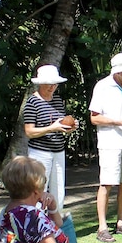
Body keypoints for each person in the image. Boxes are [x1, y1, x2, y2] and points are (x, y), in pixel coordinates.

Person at [89, 52, 122, 242]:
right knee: (107, 183)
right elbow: (94, 117)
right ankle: (102, 227)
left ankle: (121, 222)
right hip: (109, 141)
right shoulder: (102, 86)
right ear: (117, 71)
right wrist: (118, 122)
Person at [24, 64, 77, 216]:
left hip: (58, 151)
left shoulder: (57, 100)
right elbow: (29, 131)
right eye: (49, 83)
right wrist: (52, 128)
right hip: (39, 153)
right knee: (38, 189)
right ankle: (36, 222)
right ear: (40, 83)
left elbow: (60, 124)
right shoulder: (32, 102)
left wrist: (69, 127)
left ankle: (56, 224)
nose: (52, 87)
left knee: (59, 189)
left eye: (55, 83)